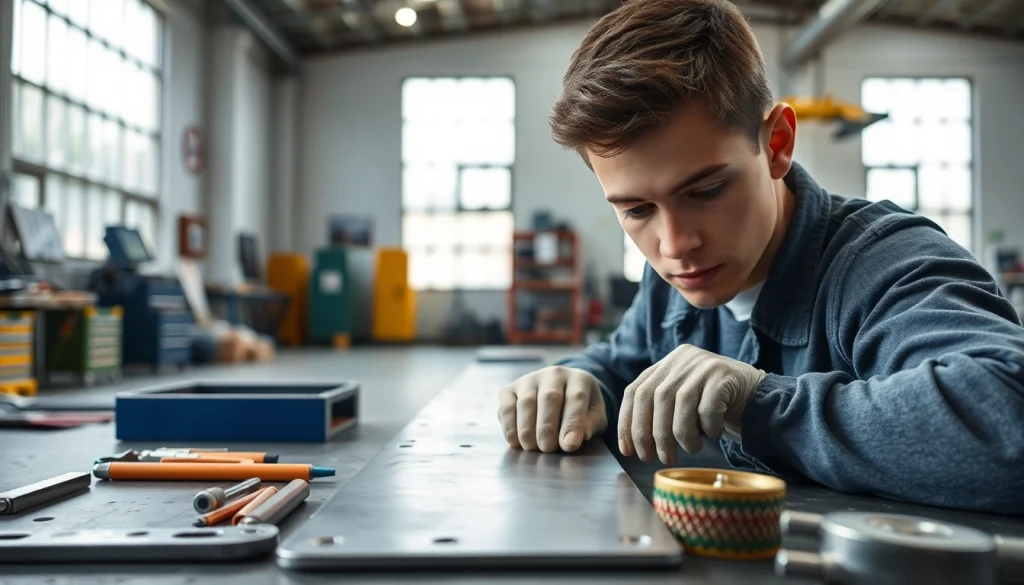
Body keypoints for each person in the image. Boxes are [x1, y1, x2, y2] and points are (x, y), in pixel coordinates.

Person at [496, 0, 1024, 513]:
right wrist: (575, 383)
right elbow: (621, 364)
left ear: (777, 143)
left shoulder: (886, 263)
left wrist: (757, 404)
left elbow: (1008, 416)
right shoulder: (671, 282)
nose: (674, 245)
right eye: (637, 210)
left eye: (705, 191)